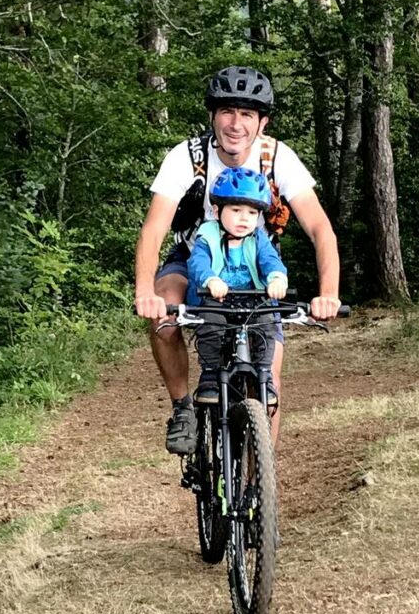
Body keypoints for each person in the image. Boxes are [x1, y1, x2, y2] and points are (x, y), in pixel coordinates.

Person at [135, 65, 341, 455]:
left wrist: (328, 293)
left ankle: (260, 486)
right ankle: (183, 408)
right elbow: (154, 229)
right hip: (197, 256)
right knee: (163, 310)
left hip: (257, 266)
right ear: (212, 115)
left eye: (247, 114)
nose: (236, 123)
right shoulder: (187, 157)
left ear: (262, 122)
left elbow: (319, 228)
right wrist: (145, 291)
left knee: (269, 382)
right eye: (227, 111)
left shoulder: (277, 157)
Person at [187, 166, 288, 405]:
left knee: (267, 324)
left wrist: (276, 278)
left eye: (253, 213)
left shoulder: (258, 238)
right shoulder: (208, 235)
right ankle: (210, 375)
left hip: (252, 297)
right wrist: (210, 279)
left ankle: (264, 376)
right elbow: (197, 262)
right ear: (216, 209)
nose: (245, 218)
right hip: (216, 298)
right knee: (212, 323)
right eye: (236, 210)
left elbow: (270, 260)